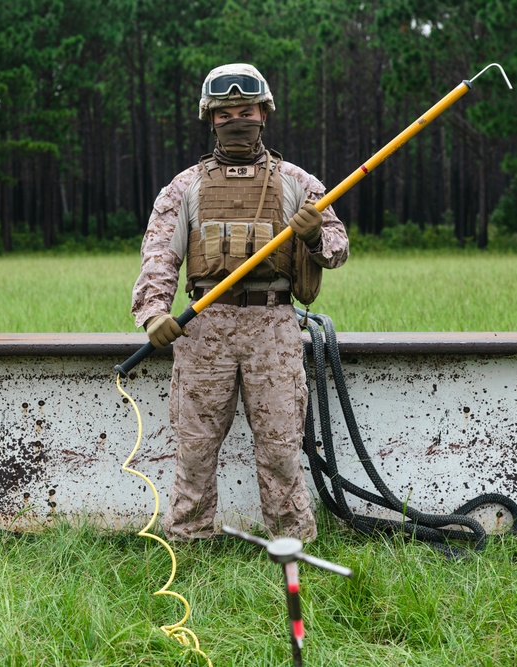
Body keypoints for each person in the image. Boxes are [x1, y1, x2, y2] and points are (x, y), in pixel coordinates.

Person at [131, 63, 349, 543]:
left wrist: (315, 236)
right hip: (203, 328)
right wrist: (153, 314)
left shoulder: (296, 182)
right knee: (194, 449)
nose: (236, 120)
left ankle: (291, 545)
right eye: (225, 112)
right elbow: (159, 257)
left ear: (264, 114)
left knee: (280, 449)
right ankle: (188, 544)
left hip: (272, 327)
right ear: (210, 118)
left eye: (245, 110)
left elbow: (337, 248)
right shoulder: (184, 186)